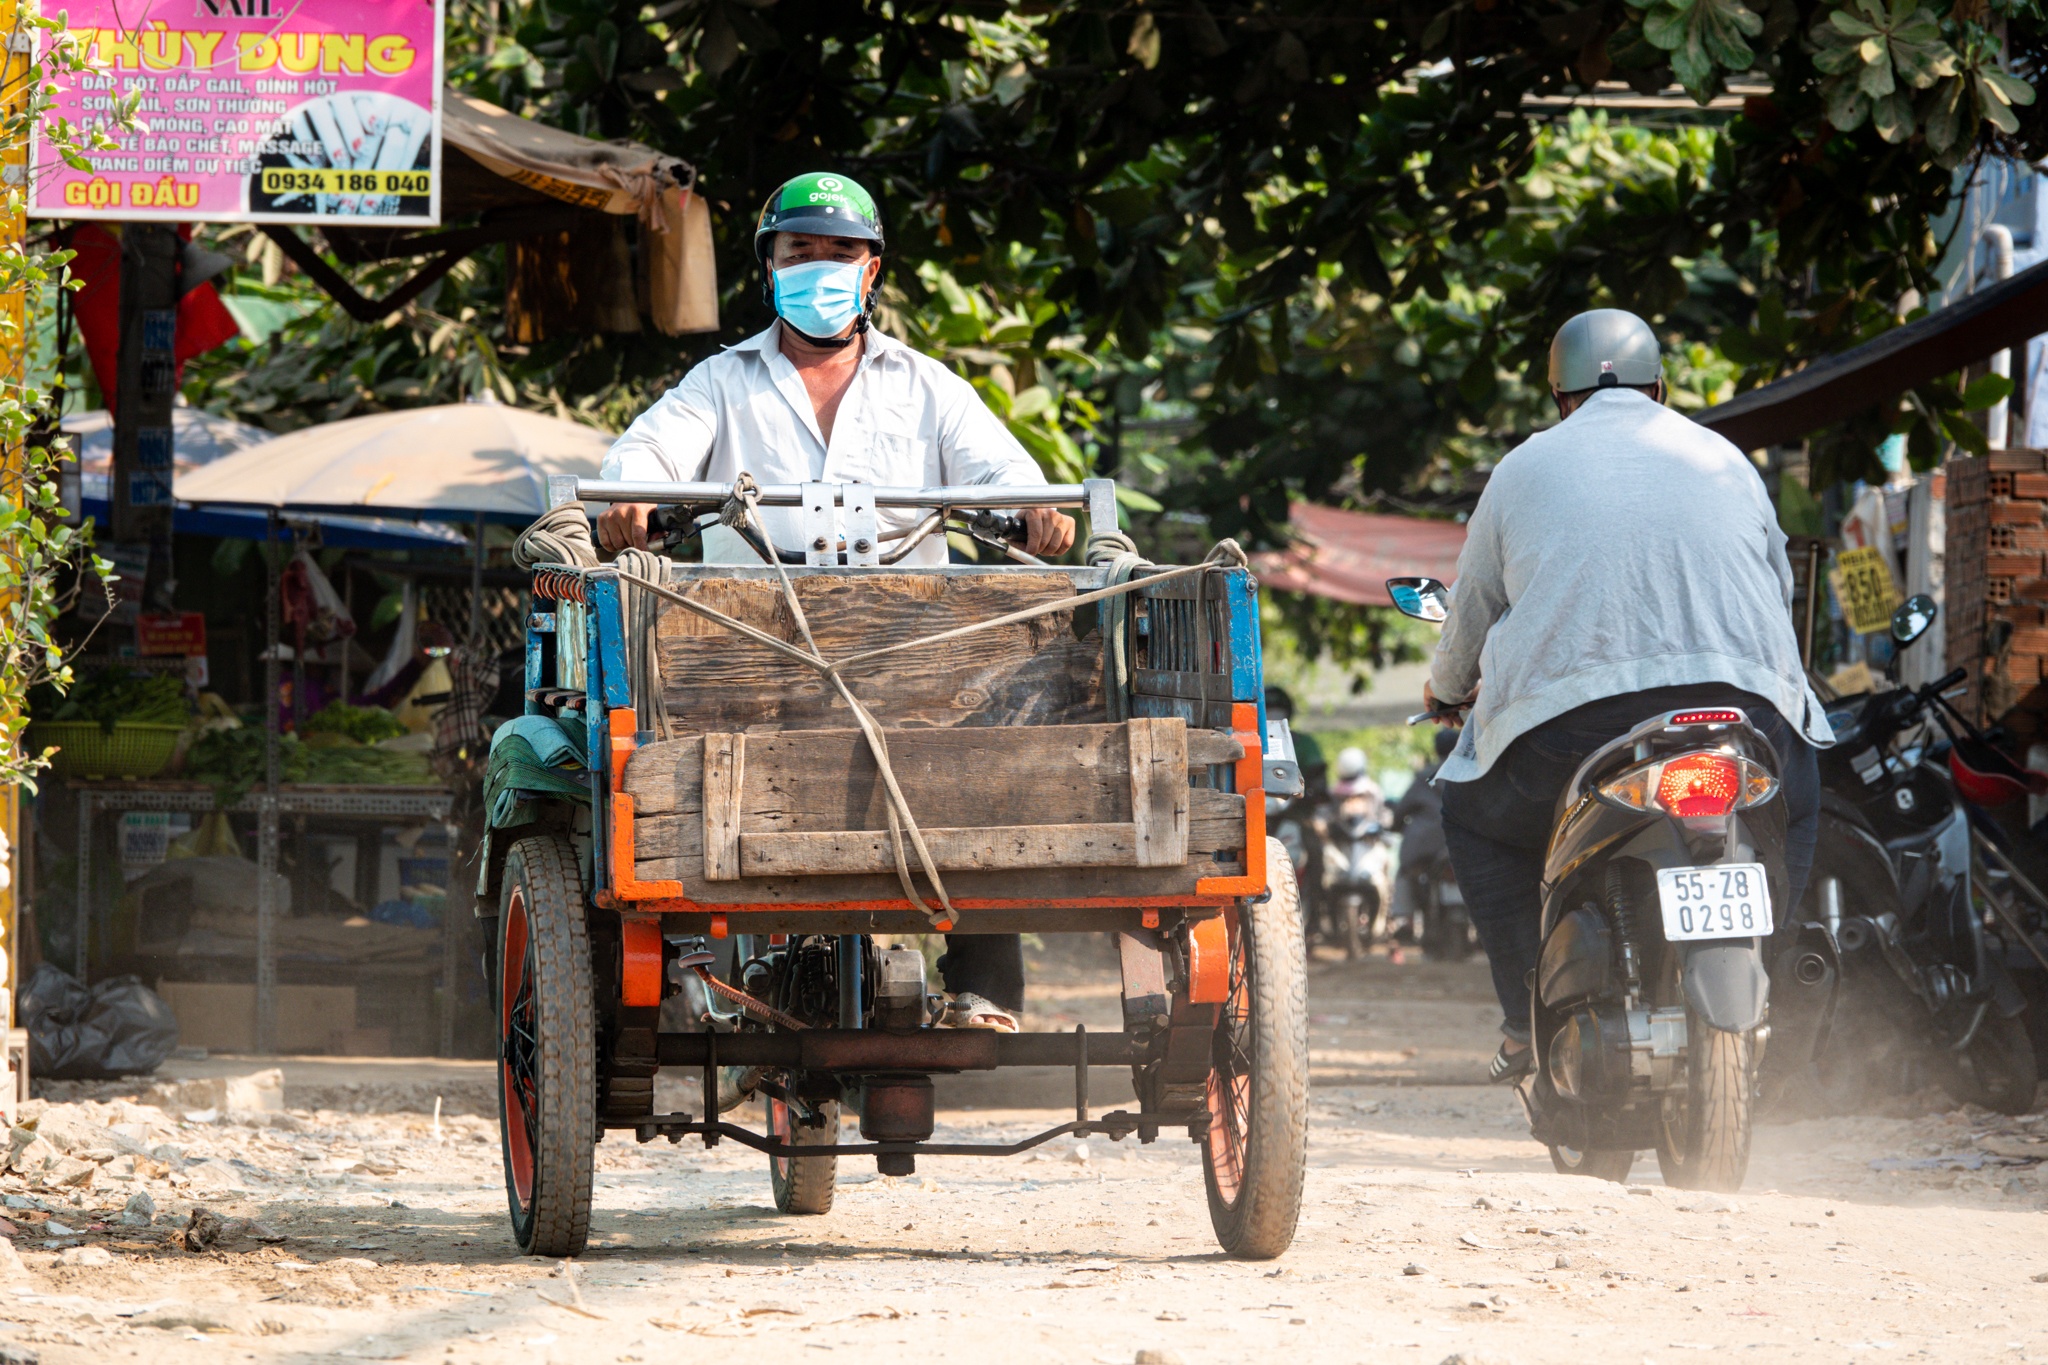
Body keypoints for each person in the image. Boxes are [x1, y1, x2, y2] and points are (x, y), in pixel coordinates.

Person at [595, 171, 1076, 1032]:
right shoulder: (720, 383)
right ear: (770, 267)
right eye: (799, 251)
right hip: (749, 658)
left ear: (873, 268)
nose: (819, 266)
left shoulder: (927, 386)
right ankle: (704, 978)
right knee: (676, 763)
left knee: (987, 752)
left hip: (913, 662)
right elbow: (649, 454)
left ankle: (983, 984)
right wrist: (631, 498)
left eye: (839, 252)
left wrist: (1033, 507)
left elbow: (1001, 469)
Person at [1423, 308, 1831, 1084]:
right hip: (1748, 716)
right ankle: (1763, 966)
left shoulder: (1523, 467)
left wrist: (1446, 689)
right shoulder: (1724, 458)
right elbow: (1776, 588)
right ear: (1661, 385)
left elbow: (1472, 603)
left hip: (1575, 726)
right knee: (1799, 801)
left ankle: (1522, 1024)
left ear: (1559, 395)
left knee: (1470, 814)